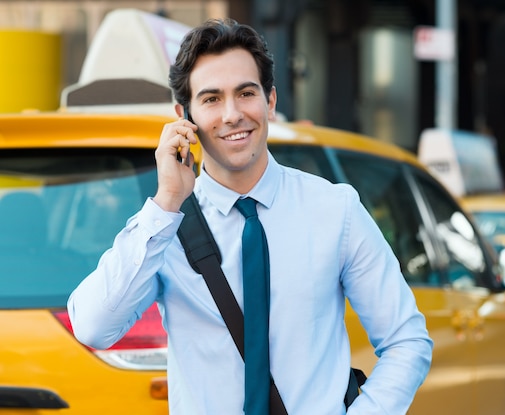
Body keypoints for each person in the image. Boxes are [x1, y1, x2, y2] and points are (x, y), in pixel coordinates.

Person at [67, 18, 433, 415]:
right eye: (210, 99)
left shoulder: (335, 210)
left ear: (271, 101)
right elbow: (93, 327)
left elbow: (406, 339)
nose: (231, 114)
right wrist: (167, 200)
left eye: (245, 93)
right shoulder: (163, 227)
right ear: (183, 114)